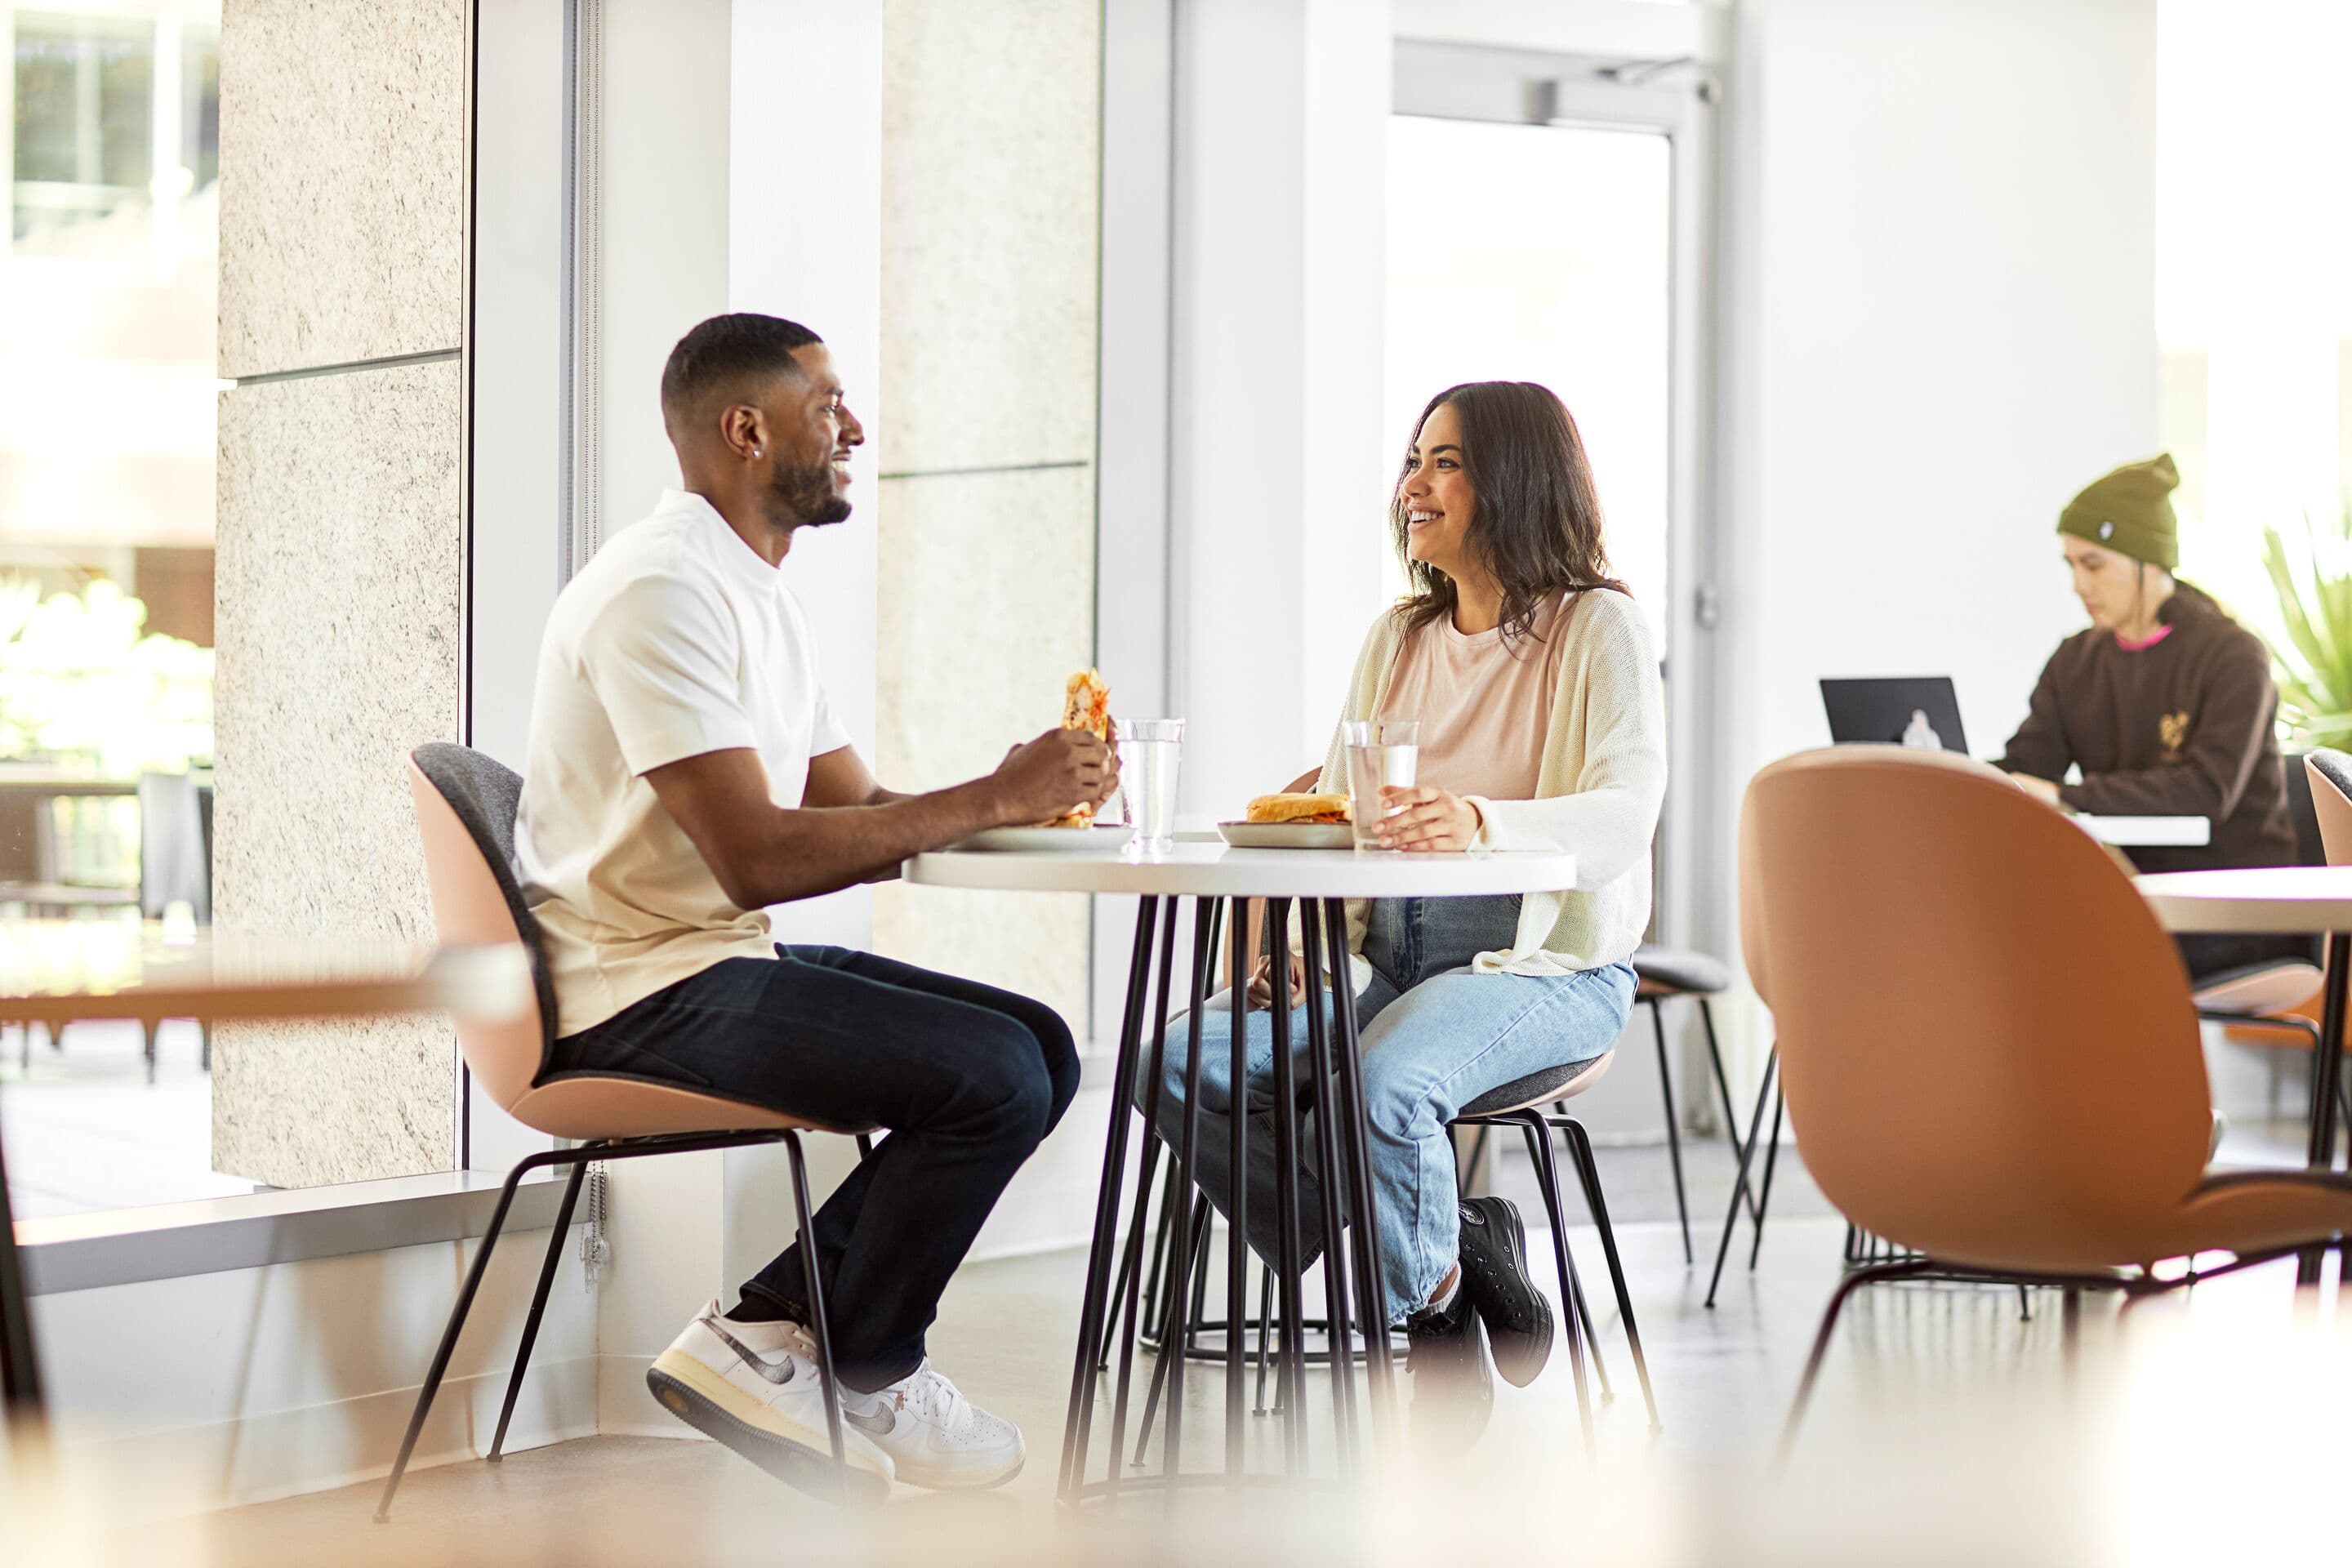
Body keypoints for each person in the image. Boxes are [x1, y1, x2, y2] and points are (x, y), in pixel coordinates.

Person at [514, 313, 1116, 1499]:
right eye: (826, 402)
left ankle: (784, 1333)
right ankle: (854, 1357)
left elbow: (866, 808)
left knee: (1040, 1046)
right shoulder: (661, 590)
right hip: (632, 992)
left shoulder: (755, 591)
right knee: (990, 1076)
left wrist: (1022, 802)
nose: (853, 426)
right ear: (746, 430)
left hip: (707, 960)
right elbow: (759, 858)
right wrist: (993, 792)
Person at [1142, 381, 1666, 1448]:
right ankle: (1445, 1260)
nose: (1413, 485)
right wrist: (1293, 945)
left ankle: (1414, 1306)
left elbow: (1622, 818)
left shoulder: (1597, 627)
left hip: (1539, 964)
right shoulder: (1400, 637)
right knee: (1175, 1060)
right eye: (1413, 459)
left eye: (1446, 462)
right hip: (1383, 947)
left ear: (1517, 481)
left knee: (1383, 1087)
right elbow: (1341, 814)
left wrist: (1477, 818)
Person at [1996, 452, 2311, 982]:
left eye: (2093, 564)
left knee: (2071, 959)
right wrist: (1954, 776)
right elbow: (2028, 768)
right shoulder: (2076, 661)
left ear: (2149, 560)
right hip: (2135, 899)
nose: (2078, 584)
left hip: (2237, 913)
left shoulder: (2232, 656)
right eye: (2070, 565)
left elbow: (2206, 792)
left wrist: (2068, 796)